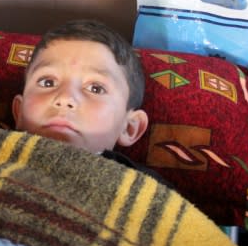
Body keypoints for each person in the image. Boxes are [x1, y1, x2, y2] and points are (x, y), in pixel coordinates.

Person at [12, 19, 155, 174]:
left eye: (95, 89)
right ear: (19, 112)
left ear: (129, 127)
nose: (65, 98)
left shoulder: (146, 188)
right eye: (47, 83)